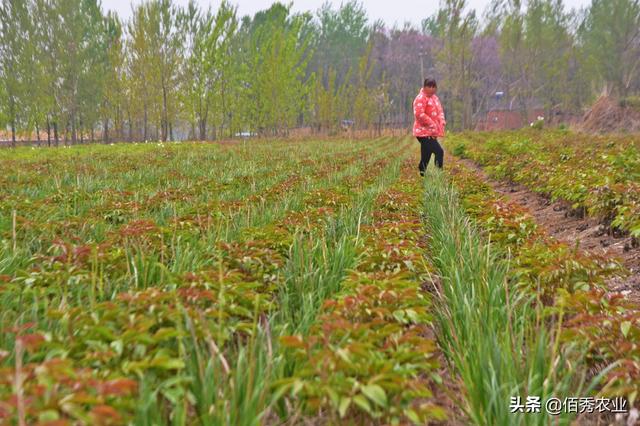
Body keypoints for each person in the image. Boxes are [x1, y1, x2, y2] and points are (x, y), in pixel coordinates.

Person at [412, 78, 446, 176]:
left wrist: (442, 121)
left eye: (433, 86)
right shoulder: (420, 98)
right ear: (424, 87)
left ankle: (422, 171)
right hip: (422, 132)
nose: (431, 89)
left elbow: (440, 111)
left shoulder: (435, 98)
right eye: (429, 86)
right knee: (439, 151)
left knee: (427, 152)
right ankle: (439, 173)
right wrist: (432, 123)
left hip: (431, 131)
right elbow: (419, 114)